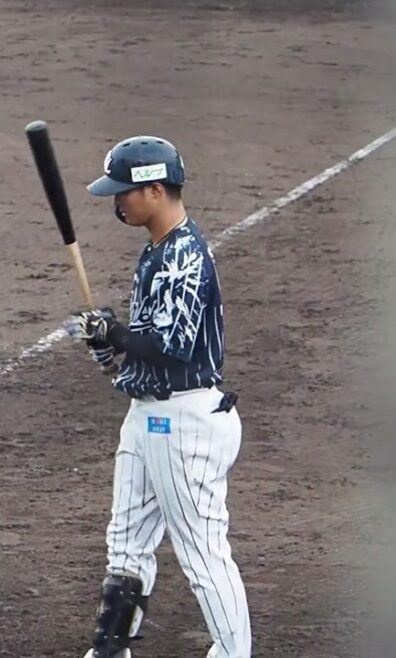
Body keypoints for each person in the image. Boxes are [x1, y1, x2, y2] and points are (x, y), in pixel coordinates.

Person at [66, 136, 251, 658]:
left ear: (154, 189)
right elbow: (141, 354)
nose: (117, 202)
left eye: (124, 191)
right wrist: (108, 345)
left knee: (201, 553)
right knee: (126, 542)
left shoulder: (185, 254)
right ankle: (110, 651)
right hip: (149, 416)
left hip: (184, 421)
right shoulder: (156, 251)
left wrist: (117, 333)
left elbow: (173, 346)